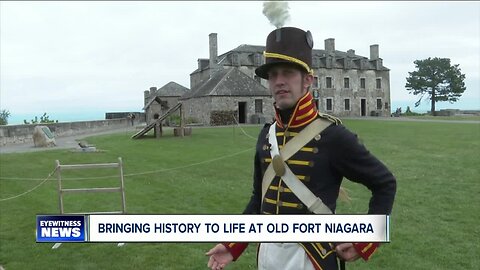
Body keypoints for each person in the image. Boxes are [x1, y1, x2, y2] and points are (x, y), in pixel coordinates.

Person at [206, 27, 396, 270]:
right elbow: (259, 199)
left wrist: (366, 240)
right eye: (273, 75)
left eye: (288, 73)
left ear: (308, 80)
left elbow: (385, 183)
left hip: (312, 259)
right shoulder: (267, 135)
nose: (279, 81)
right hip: (268, 254)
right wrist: (233, 245)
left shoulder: (332, 135)